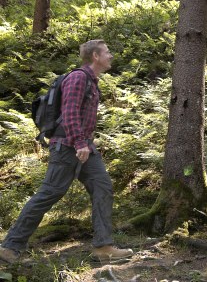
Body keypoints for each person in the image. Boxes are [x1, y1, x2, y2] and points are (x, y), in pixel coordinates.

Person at [0, 40, 133, 264]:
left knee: (102, 187)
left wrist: (85, 144)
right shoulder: (78, 78)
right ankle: (10, 247)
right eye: (107, 52)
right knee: (49, 193)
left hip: (84, 147)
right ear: (95, 57)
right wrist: (80, 143)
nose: (111, 56)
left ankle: (103, 246)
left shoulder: (92, 80)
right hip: (67, 147)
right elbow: (69, 111)